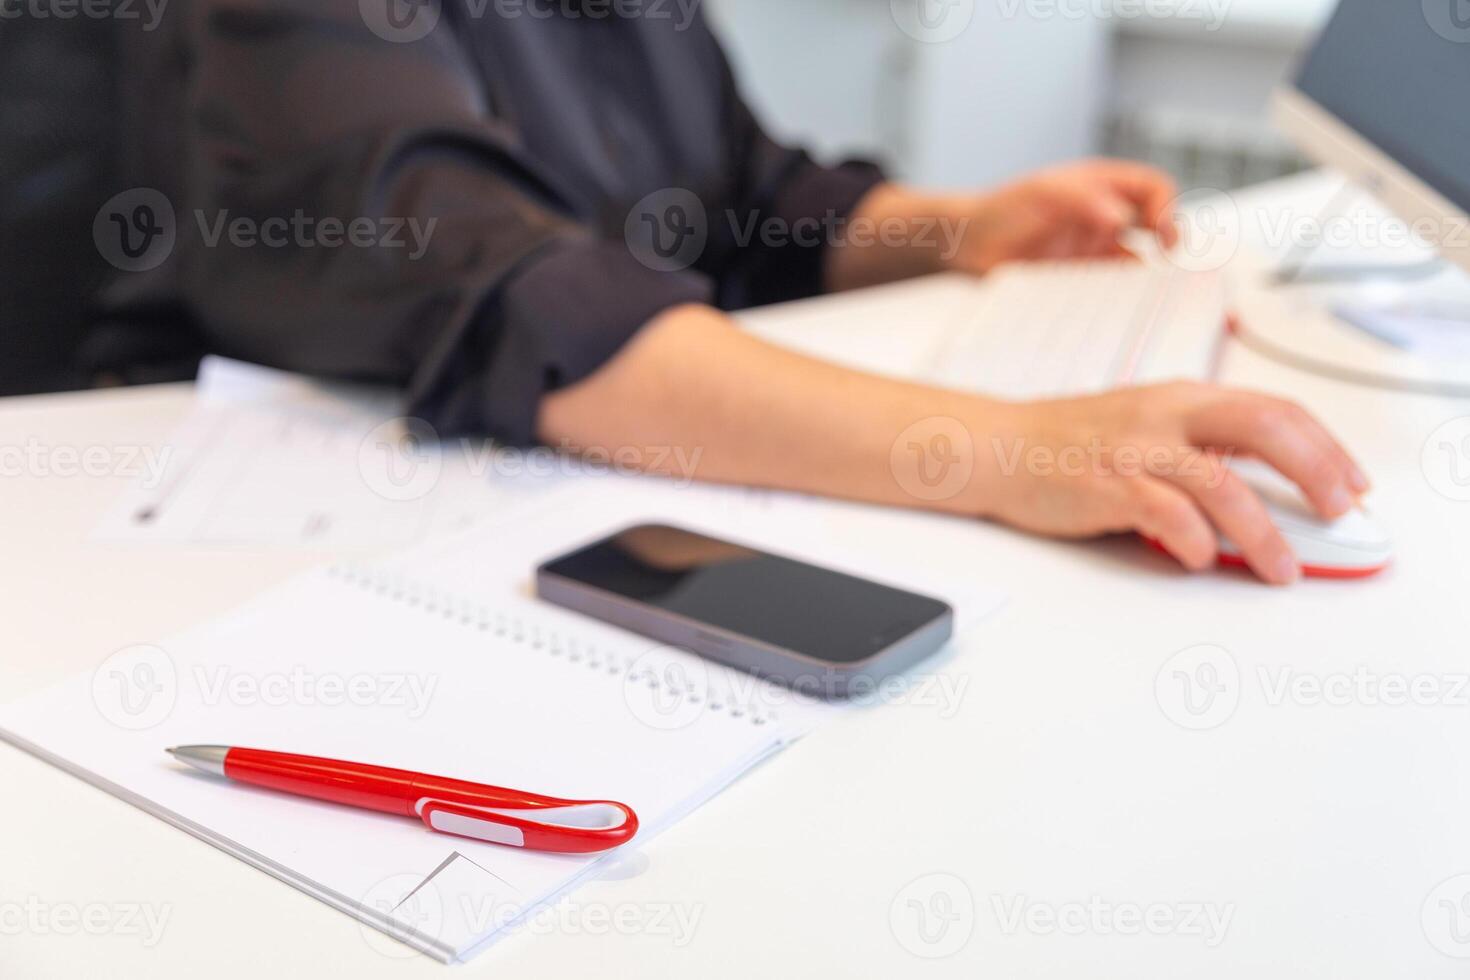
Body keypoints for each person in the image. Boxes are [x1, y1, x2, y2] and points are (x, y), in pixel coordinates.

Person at [17, 0, 1368, 585]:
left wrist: (963, 227)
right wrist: (1012, 448)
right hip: (230, 528)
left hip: (559, 487)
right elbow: (518, 295)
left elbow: (743, 195)